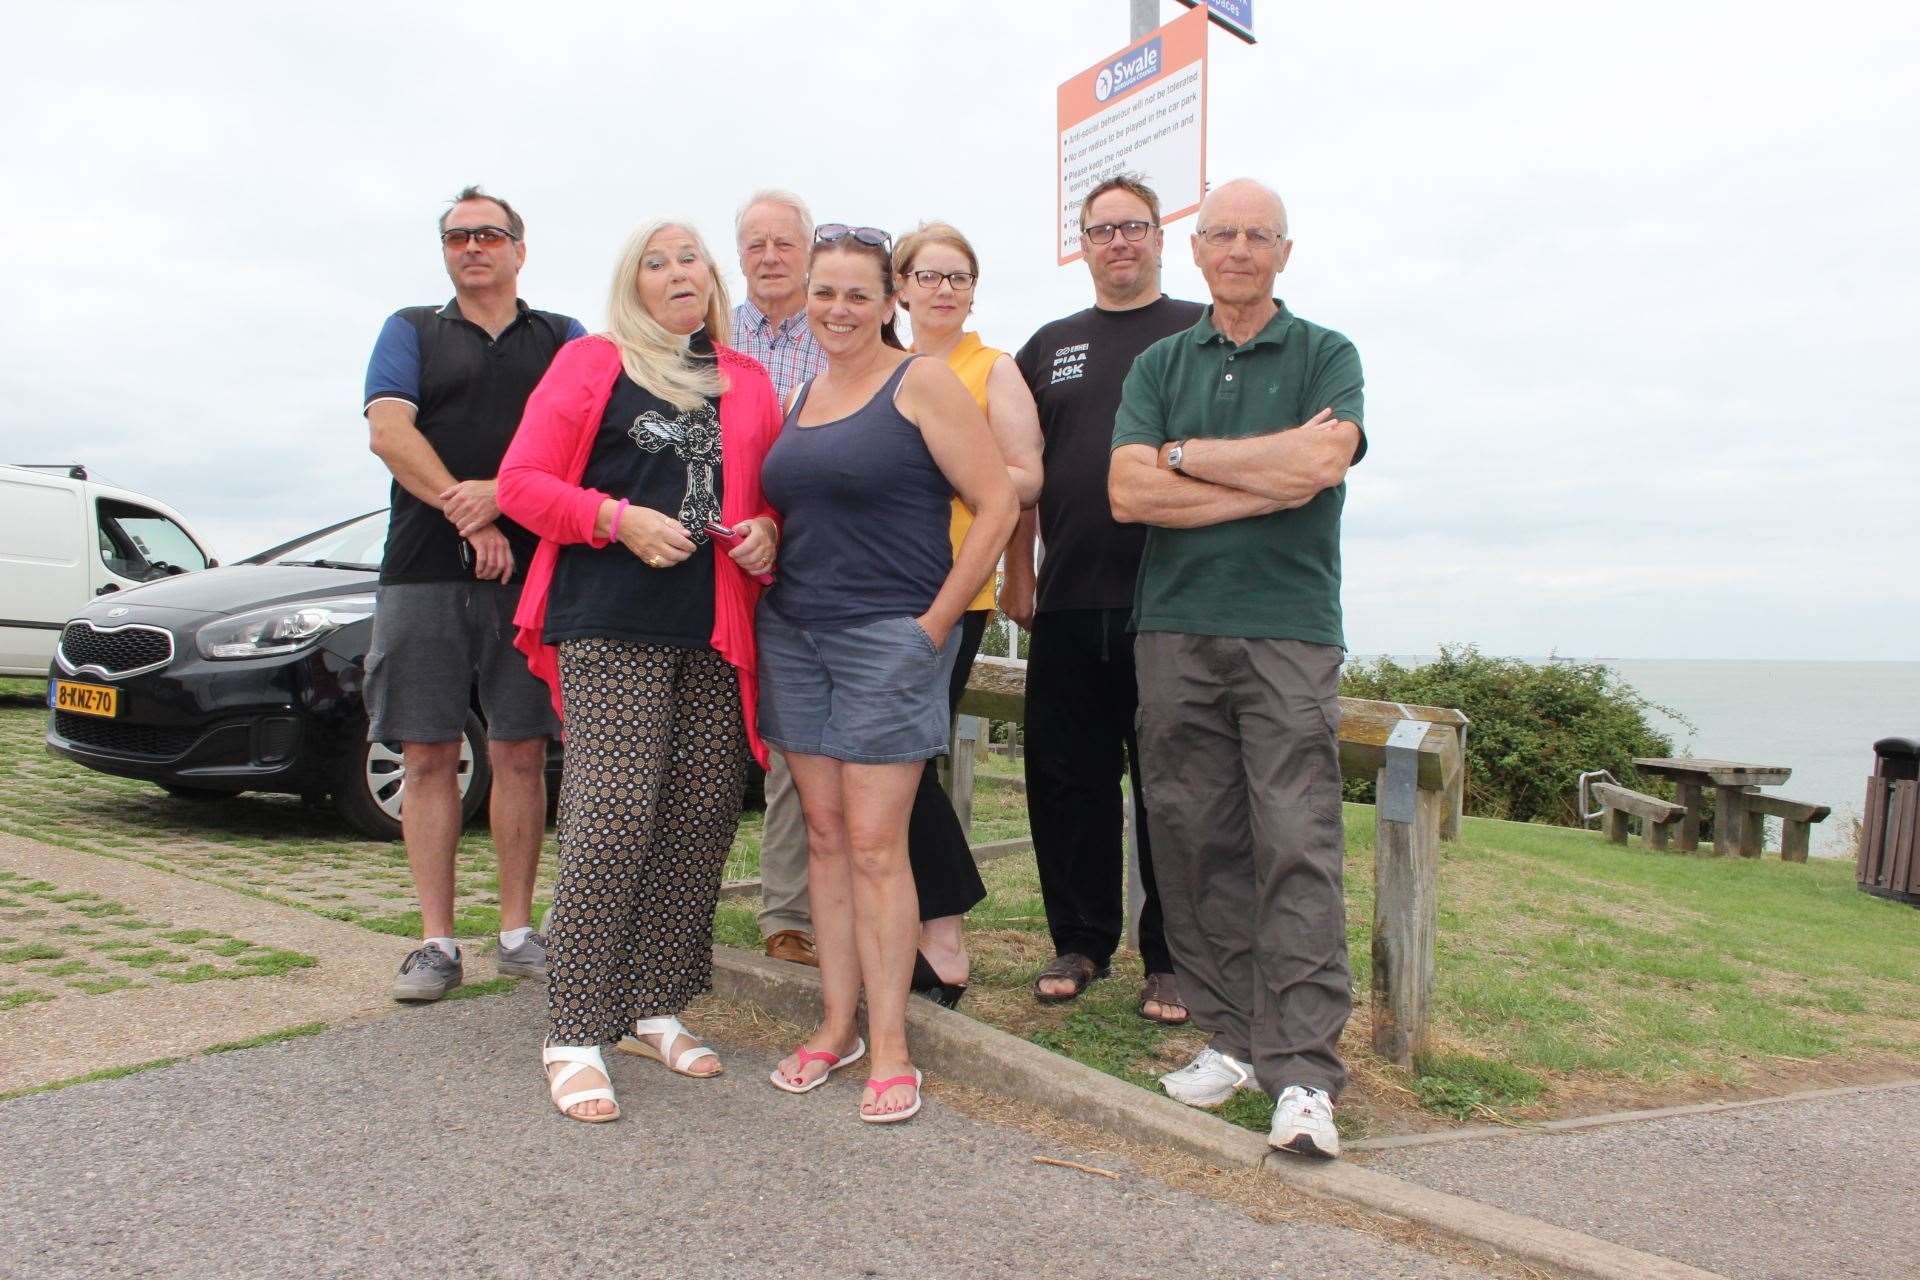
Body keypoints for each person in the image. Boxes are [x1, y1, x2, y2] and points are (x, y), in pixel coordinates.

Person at [496, 218, 783, 1123]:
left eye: (687, 258)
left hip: (712, 626)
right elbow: (522, 483)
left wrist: (770, 530)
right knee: (614, 812)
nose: (674, 273)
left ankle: (651, 1004)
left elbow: (768, 493)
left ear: (711, 278)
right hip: (608, 618)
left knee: (698, 816)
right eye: (654, 263)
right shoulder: (594, 363)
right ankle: (575, 1026)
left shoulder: (747, 379)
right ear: (633, 284)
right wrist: (618, 519)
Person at [1108, 178, 1366, 1159]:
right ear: (1198, 249)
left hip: (1286, 632)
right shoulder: (1164, 360)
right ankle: (1234, 1038)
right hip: (1173, 629)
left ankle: (1303, 1071)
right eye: (1223, 233)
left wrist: (1188, 462)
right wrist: (1260, 479)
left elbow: (1321, 465)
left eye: (1260, 235)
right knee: (1192, 838)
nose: (1241, 249)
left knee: (1295, 843)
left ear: (1284, 254)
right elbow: (1129, 492)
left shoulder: (1325, 353)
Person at [759, 224, 1017, 1122]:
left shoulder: (924, 381)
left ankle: (894, 1047)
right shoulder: (803, 392)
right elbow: (802, 513)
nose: (838, 309)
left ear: (891, 299)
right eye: (823, 293)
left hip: (886, 641)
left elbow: (998, 503)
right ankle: (836, 1026)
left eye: (857, 294)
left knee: (877, 848)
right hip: (794, 637)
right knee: (826, 845)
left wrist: (935, 626)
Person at [363, 185, 585, 1003]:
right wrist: (470, 508)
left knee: (521, 752)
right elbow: (390, 431)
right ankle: (435, 943)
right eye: (457, 237)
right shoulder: (411, 329)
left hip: (537, 574)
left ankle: (519, 933)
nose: (472, 248)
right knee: (426, 753)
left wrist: (506, 498)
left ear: (519, 249)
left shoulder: (563, 339)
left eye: (489, 234)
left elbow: (587, 438)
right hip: (423, 570)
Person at [1004, 175, 1203, 1023]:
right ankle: (1081, 940)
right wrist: (1018, 573)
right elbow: (1012, 474)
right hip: (1067, 600)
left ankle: (1174, 957)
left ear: (1161, 236)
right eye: (1101, 229)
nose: (1118, 241)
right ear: (1080, 243)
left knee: (1172, 786)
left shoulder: (1200, 330)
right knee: (1066, 781)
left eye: (1134, 226)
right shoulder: (1048, 346)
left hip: (1173, 601)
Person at [891, 220, 1044, 1005]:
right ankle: (905, 923)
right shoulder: (878, 367)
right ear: (902, 289)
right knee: (877, 761)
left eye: (957, 277)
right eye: (928, 276)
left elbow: (1026, 477)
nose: (943, 289)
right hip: (869, 591)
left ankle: (943, 927)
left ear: (973, 290)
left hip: (954, 591)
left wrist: (954, 469)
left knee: (906, 758)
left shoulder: (994, 370)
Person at [731, 189, 829, 969]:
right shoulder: (710, 336)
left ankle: (789, 913)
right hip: (717, 566)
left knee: (798, 744)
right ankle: (666, 906)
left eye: (783, 243)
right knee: (697, 744)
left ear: (808, 249)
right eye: (755, 243)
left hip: (811, 563)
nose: (769, 256)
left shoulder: (838, 335)